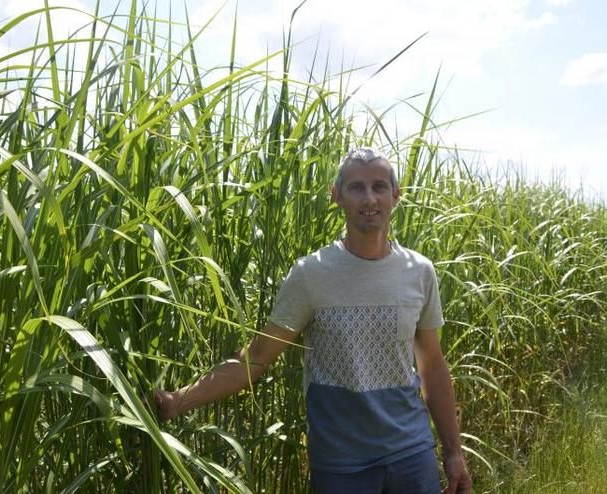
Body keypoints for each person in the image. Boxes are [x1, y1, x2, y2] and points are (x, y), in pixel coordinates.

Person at [155, 148, 472, 494]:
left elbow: (433, 368)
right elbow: (256, 359)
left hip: (412, 456)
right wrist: (177, 401)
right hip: (342, 465)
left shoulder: (419, 272)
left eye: (379, 186)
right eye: (356, 188)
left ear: (395, 195)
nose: (369, 198)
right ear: (337, 196)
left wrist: (454, 453)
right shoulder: (312, 274)